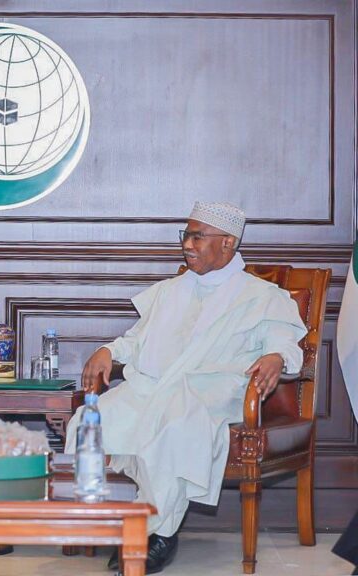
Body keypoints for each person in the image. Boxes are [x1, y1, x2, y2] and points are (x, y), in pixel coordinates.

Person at [65, 201, 307, 574]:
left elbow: (285, 345)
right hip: (154, 387)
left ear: (228, 242)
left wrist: (276, 357)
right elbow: (135, 341)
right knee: (90, 420)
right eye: (186, 236)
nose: (187, 245)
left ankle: (157, 533)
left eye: (197, 237)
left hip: (210, 392)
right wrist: (108, 351)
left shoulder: (262, 297)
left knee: (174, 425)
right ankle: (110, 523)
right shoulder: (170, 291)